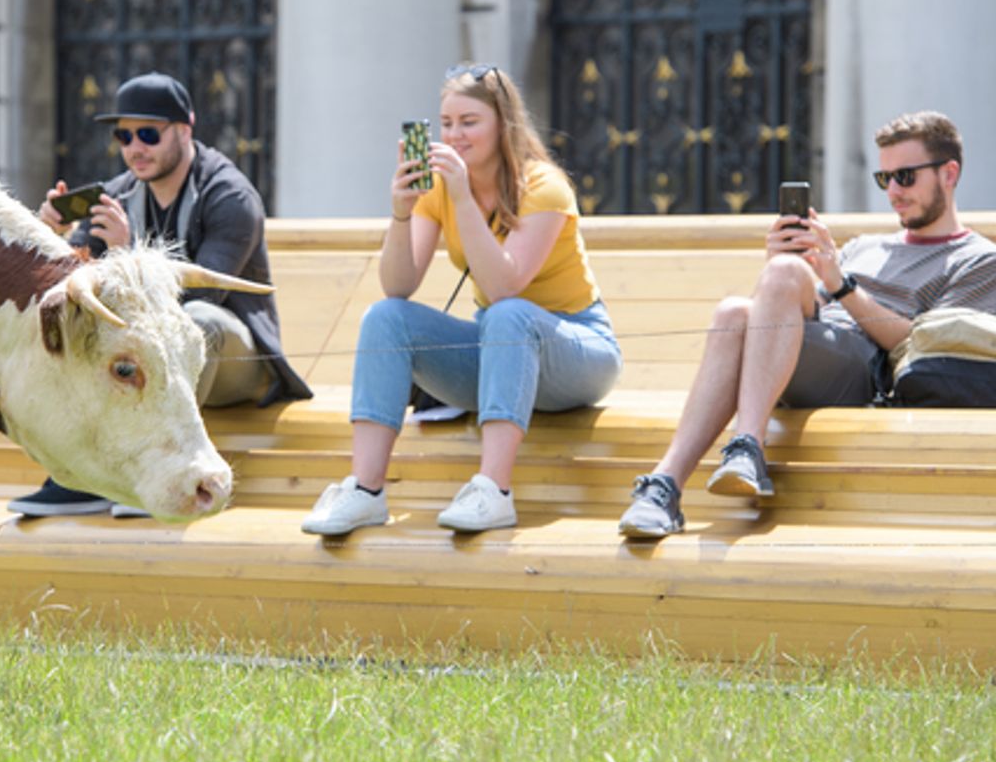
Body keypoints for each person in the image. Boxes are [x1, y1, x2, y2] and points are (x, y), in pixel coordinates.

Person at [619, 110, 996, 539]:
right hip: (813, 351)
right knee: (733, 311)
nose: (893, 191)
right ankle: (664, 486)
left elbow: (920, 346)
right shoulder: (864, 247)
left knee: (779, 281)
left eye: (906, 176)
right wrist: (778, 269)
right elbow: (797, 310)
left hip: (870, 375)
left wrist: (840, 283)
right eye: (884, 178)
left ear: (949, 174)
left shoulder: (978, 260)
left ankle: (745, 446)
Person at [300, 64, 623, 536]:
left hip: (576, 353)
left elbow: (503, 287)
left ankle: (493, 491)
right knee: (386, 317)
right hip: (502, 353)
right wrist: (401, 212)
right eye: (446, 123)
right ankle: (365, 491)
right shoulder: (441, 191)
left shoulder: (544, 187)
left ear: (503, 125)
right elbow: (399, 285)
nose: (455, 135)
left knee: (507, 313)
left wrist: (464, 201)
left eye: (469, 122)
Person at [9, 72, 312, 517]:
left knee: (197, 322)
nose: (135, 148)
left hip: (239, 359)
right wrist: (51, 236)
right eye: (124, 135)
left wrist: (124, 251)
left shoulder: (230, 195)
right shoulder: (116, 195)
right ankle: (82, 476)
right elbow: (72, 290)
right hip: (154, 359)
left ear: (185, 131)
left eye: (148, 133)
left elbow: (205, 296)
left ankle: (168, 473)